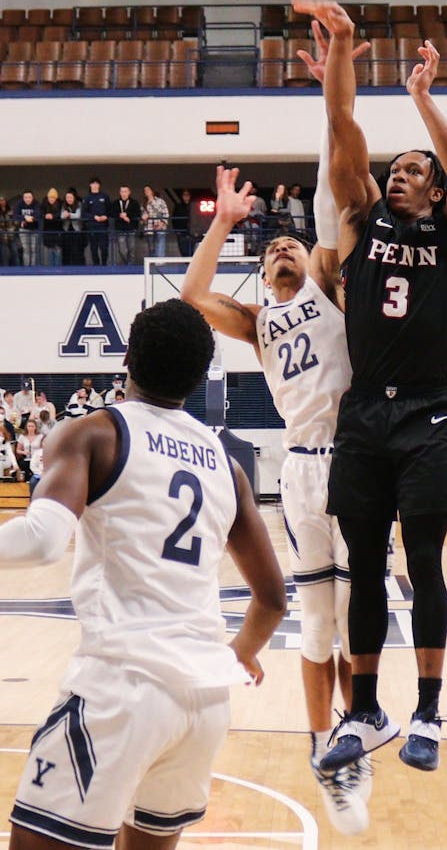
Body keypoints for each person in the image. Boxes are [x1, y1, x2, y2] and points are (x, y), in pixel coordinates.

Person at [0, 298, 286, 849]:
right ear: (201, 378)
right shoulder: (225, 464)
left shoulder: (94, 431)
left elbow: (41, 540)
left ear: (126, 358)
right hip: (204, 702)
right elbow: (271, 597)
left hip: (121, 688)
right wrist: (240, 652)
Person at [182, 24, 374, 834]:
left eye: (294, 239)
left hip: (361, 455)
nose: (288, 246)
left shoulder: (330, 279)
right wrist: (225, 224)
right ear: (265, 273)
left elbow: (340, 168)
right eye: (277, 248)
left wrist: (331, 86)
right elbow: (193, 296)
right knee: (317, 621)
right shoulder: (259, 321)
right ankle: (322, 748)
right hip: (300, 469)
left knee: (360, 614)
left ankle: (354, 739)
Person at [292, 0, 447, 776]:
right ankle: (364, 709)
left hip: (431, 410)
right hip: (365, 412)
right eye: (397, 169)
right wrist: (342, 44)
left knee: (425, 563)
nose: (400, 176)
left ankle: (429, 711)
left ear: (434, 193)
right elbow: (343, 126)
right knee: (363, 565)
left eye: (414, 173)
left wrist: (422, 101)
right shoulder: (356, 222)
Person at [81, 176, 111, 266]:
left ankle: (104, 265)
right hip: (92, 227)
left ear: (99, 185)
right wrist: (93, 217)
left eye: (96, 184)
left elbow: (110, 210)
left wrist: (105, 216)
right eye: (93, 184)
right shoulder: (87, 198)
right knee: (93, 248)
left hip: (103, 227)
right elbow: (83, 214)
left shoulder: (104, 196)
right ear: (90, 185)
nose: (94, 185)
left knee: (104, 248)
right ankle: (96, 266)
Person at [111, 184, 141, 265]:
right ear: (120, 193)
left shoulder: (134, 202)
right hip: (120, 229)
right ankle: (126, 263)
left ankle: (130, 266)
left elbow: (137, 213)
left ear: (129, 192)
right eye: (122, 191)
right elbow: (112, 213)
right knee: (121, 250)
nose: (124, 193)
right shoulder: (116, 203)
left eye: (125, 191)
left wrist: (128, 216)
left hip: (131, 228)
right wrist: (120, 215)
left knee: (131, 249)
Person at [141, 184, 170, 258]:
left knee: (160, 245)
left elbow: (166, 213)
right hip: (149, 228)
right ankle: (151, 266)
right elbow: (142, 218)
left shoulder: (160, 201)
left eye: (148, 190)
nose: (146, 192)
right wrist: (144, 219)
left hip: (160, 226)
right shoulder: (143, 203)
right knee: (151, 248)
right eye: (145, 190)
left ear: (152, 191)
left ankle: (160, 264)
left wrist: (162, 223)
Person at [13, 190, 40, 266]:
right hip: (23, 230)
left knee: (34, 249)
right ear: (23, 198)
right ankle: (27, 268)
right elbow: (15, 215)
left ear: (32, 197)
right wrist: (25, 217)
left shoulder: (36, 203)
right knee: (26, 250)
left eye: (29, 197)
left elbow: (38, 214)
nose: (28, 199)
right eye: (26, 197)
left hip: (34, 229)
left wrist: (31, 218)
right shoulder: (19, 203)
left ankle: (33, 268)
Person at [61, 187, 85, 266]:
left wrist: (69, 214)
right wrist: (65, 215)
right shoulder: (64, 205)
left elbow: (78, 215)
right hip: (66, 231)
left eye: (71, 197)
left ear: (74, 198)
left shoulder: (79, 204)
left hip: (77, 231)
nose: (69, 199)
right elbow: (62, 216)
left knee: (77, 251)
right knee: (66, 251)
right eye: (67, 197)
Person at [40, 187, 63, 266]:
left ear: (56, 198)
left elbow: (60, 214)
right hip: (47, 231)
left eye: (53, 197)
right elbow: (40, 213)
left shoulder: (60, 205)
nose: (51, 199)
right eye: (50, 197)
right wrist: (45, 215)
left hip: (57, 230)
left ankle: (58, 268)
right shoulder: (43, 204)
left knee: (58, 250)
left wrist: (53, 216)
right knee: (49, 250)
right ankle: (51, 269)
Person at [15, 417, 44, 482]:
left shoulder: (40, 436)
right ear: (26, 427)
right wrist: (24, 452)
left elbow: (43, 449)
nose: (30, 428)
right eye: (29, 426)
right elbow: (18, 450)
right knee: (23, 463)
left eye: (32, 426)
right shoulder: (22, 436)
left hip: (37, 458)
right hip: (26, 458)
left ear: (35, 427)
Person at [172, 188, 195, 257]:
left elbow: (197, 219)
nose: (186, 196)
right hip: (181, 231)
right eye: (184, 195)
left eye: (187, 195)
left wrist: (196, 230)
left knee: (191, 250)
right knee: (183, 250)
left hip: (192, 231)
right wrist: (177, 231)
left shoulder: (194, 205)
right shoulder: (178, 206)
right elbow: (174, 219)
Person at [0, 195, 21, 266]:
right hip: (2, 237)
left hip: (12, 235)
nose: (2, 202)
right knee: (4, 253)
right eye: (0, 200)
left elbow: (16, 222)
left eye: (3, 200)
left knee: (15, 252)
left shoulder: (11, 211)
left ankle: (17, 270)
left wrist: (12, 229)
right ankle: (4, 270)